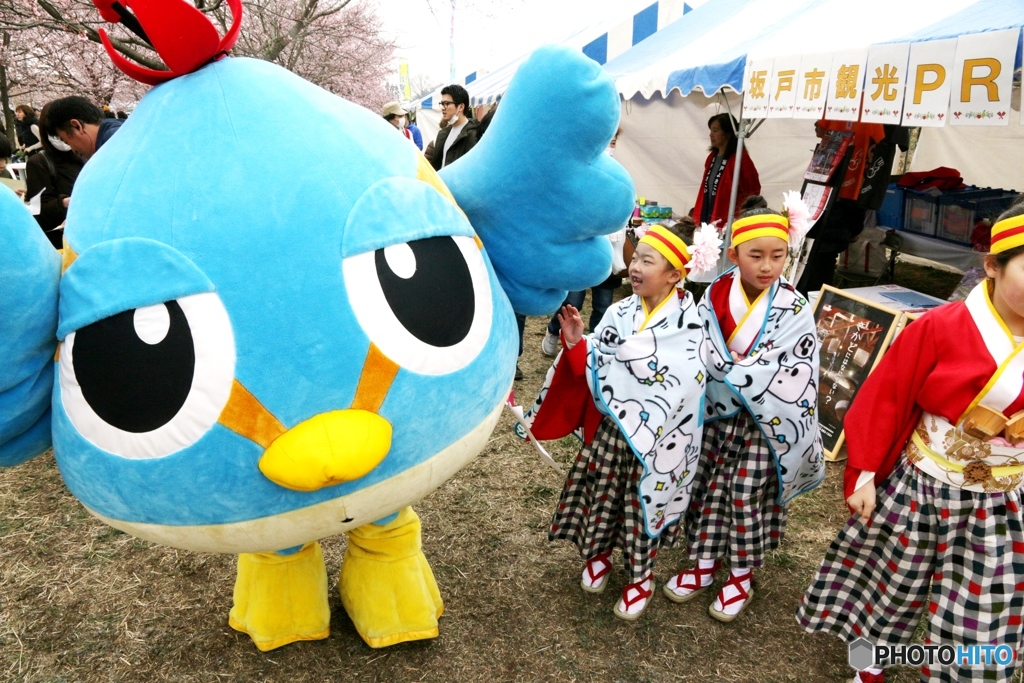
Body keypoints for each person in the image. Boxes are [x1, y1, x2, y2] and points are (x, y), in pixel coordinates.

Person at [797, 204, 1024, 683]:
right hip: (923, 484)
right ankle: (871, 661)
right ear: (992, 265)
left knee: (981, 605)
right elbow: (888, 397)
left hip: (1001, 497)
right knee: (889, 586)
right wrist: (862, 471)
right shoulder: (940, 327)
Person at [521, 224, 716, 620]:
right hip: (611, 432)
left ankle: (641, 577)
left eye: (648, 260)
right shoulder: (619, 312)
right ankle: (599, 555)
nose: (636, 266)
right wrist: (578, 343)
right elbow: (598, 366)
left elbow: (687, 381)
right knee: (603, 496)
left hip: (659, 444)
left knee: (642, 506)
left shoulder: (691, 326)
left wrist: (630, 370)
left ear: (676, 274)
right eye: (636, 256)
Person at [664, 200, 824, 622]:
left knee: (744, 494)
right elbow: (696, 346)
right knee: (706, 486)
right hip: (717, 415)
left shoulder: (794, 307)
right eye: (756, 255)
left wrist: (729, 368)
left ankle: (741, 575)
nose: (768, 266)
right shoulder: (715, 292)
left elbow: (794, 369)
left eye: (779, 255)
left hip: (765, 422)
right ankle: (702, 562)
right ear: (732, 255)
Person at [795, 119, 885, 295]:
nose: (816, 124)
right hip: (826, 215)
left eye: (821, 121)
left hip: (835, 217)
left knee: (817, 273)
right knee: (814, 270)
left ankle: (812, 302)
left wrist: (853, 226)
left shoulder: (862, 117)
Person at [24, 103, 84, 249]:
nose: (63, 138)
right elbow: (37, 211)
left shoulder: (85, 156)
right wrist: (63, 202)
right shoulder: (39, 163)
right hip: (61, 244)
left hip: (86, 237)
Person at [691, 113, 760, 228]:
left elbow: (753, 189)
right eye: (711, 130)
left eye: (715, 130)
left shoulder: (740, 159)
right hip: (707, 213)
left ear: (727, 133)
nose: (710, 135)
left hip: (728, 220)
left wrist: (741, 213)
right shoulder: (712, 157)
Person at [45, 96, 124, 160]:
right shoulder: (119, 130)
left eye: (67, 142)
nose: (73, 150)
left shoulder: (114, 143)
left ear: (77, 126)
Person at [427, 84, 479, 170]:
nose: (443, 108)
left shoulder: (472, 135)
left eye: (446, 103)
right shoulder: (443, 134)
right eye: (442, 104)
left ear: (461, 107)